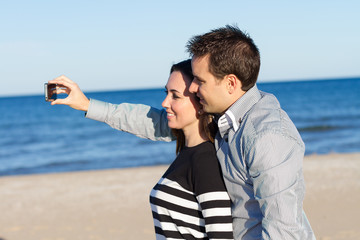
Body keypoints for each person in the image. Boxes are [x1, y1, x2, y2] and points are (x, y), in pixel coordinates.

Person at [50, 25, 315, 239]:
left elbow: (284, 229)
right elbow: (156, 121)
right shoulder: (222, 115)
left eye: (200, 81)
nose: (194, 89)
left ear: (231, 83)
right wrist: (86, 105)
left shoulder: (267, 136)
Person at [49, 60, 234, 239]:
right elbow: (143, 119)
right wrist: (86, 104)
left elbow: (222, 235)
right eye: (166, 93)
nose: (164, 102)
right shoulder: (188, 152)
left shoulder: (206, 162)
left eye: (175, 96)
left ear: (201, 101)